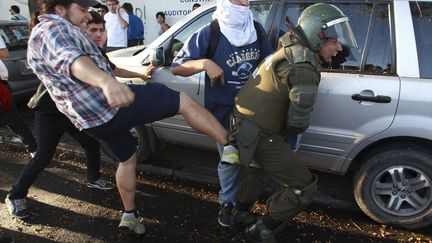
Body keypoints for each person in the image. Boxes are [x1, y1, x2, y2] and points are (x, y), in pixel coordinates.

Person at [26, 0, 236, 236]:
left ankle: (130, 215)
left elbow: (101, 64)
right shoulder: (51, 30)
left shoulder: (56, 32)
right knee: (183, 101)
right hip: (109, 106)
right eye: (82, 10)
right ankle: (229, 147)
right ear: (59, 8)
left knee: (127, 159)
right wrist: (105, 82)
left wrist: (116, 71)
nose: (87, 17)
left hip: (93, 121)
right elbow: (72, 61)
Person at [230, 3, 358, 242]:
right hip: (258, 132)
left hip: (243, 125)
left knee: (257, 172)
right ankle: (261, 229)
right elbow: (297, 123)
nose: (339, 47)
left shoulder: (289, 47)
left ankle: (238, 214)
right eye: (334, 41)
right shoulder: (303, 65)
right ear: (318, 37)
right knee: (305, 186)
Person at [5, 10, 119, 221]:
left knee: (92, 143)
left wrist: (141, 73)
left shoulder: (90, 47)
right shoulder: (62, 40)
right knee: (44, 156)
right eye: (92, 28)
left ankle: (93, 178)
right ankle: (15, 195)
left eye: (101, 30)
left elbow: (113, 69)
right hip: (51, 111)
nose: (98, 34)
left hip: (73, 110)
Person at [171, 0, 273, 228]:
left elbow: (270, 63)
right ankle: (227, 204)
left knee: (256, 162)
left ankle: (245, 204)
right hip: (225, 114)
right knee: (230, 162)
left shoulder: (256, 29)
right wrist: (205, 63)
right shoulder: (210, 32)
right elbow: (177, 66)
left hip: (257, 112)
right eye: (238, 0)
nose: (244, 3)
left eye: (246, 0)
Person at [0, 35, 37, 158]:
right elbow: (4, 53)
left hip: (2, 88)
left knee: (14, 120)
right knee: (14, 120)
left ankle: (33, 148)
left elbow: (4, 53)